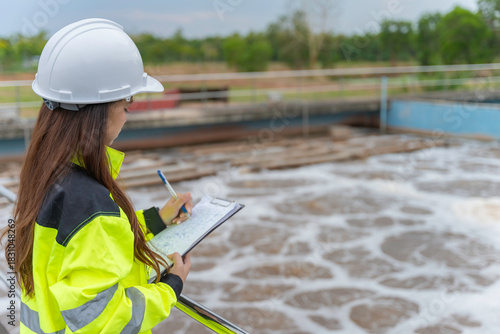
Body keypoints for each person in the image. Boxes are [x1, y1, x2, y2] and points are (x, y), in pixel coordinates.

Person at [3, 18, 193, 333]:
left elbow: (88, 246)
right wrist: (170, 287)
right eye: (126, 106)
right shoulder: (89, 202)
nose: (126, 117)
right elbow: (104, 321)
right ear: (98, 112)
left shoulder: (47, 175)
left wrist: (157, 219)